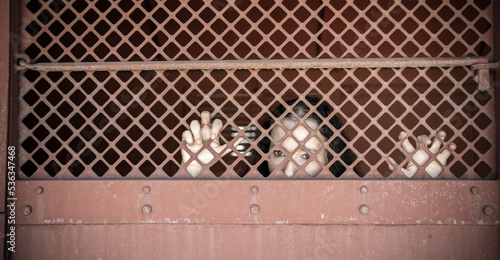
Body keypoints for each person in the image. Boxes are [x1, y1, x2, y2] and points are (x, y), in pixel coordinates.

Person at [181, 97, 455, 178]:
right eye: (278, 153)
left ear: (332, 157)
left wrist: (423, 180)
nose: (289, 171)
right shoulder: (244, 199)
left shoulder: (358, 201)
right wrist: (193, 171)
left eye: (306, 156)